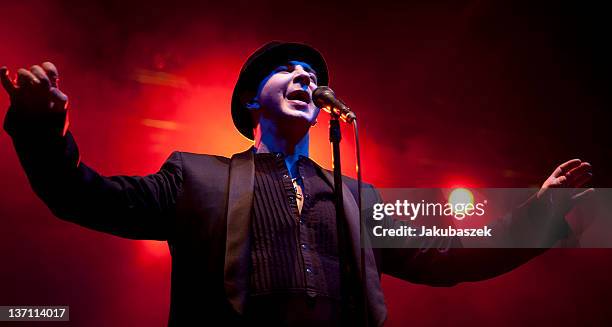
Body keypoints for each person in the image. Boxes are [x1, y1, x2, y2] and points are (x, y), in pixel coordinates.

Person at [0, 42, 593, 326]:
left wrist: (538, 214)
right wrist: (41, 125)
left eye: (314, 74)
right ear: (250, 101)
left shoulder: (357, 196)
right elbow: (83, 196)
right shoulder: (197, 176)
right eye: (289, 70)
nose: (307, 77)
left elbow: (448, 255)